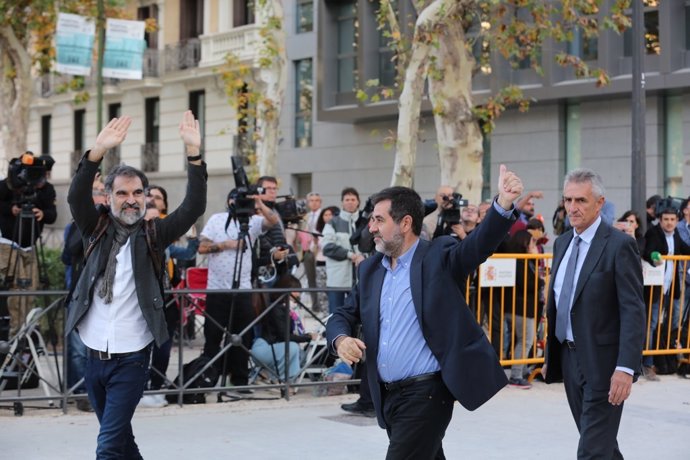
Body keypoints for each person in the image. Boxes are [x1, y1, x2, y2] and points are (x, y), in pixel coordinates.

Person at [327, 165, 523, 459]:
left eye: (379, 220)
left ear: (405, 223)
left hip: (427, 394)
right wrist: (341, 339)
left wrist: (503, 204)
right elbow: (344, 313)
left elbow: (478, 246)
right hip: (388, 395)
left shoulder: (439, 257)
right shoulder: (370, 270)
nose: (371, 227)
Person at [65, 111, 207, 459]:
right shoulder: (94, 229)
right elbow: (74, 197)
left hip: (132, 358)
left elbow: (193, 208)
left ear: (145, 196)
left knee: (108, 447)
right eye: (123, 192)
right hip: (93, 355)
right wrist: (96, 152)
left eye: (138, 192)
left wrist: (194, 155)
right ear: (109, 197)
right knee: (122, 441)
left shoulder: (154, 235)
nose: (131, 199)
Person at [543, 168, 645, 460]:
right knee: (600, 443)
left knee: (591, 451)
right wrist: (552, 355)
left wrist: (626, 367)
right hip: (570, 358)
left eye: (581, 201)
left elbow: (632, 310)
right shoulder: (562, 243)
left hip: (604, 364)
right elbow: (560, 302)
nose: (572, 208)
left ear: (599, 203)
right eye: (568, 200)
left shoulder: (619, 245)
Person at [198, 188, 279, 390]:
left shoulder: (252, 221)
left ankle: (239, 381)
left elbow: (273, 221)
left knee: (242, 337)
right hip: (217, 290)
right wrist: (226, 245)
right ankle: (208, 379)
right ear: (229, 201)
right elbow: (201, 248)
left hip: (243, 290)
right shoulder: (217, 219)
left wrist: (259, 203)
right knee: (213, 337)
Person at [61, 177, 107, 413]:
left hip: (104, 295)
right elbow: (68, 254)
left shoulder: (113, 222)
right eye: (96, 191)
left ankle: (96, 388)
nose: (101, 196)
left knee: (97, 347)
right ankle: (80, 392)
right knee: (78, 348)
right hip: (81, 293)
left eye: (103, 191)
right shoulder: (76, 224)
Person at [641, 205, 690, 380]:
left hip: (671, 287)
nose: (669, 223)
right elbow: (648, 250)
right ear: (660, 220)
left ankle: (670, 358)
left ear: (677, 221)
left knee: (673, 321)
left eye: (672, 220)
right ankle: (647, 363)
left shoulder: (675, 234)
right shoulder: (654, 233)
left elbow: (685, 249)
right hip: (655, 287)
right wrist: (655, 256)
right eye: (666, 220)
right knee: (652, 323)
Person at [251, 275, 315, 382]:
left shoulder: (284, 308)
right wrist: (308, 337)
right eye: (295, 291)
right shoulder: (277, 309)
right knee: (293, 348)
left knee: (300, 354)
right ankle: (283, 381)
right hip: (264, 348)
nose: (298, 294)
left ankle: (283, 380)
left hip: (272, 347)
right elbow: (285, 336)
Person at [504, 230, 544, 389]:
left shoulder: (526, 262)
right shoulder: (520, 262)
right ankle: (516, 375)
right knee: (525, 340)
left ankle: (520, 370)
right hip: (520, 308)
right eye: (532, 243)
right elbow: (530, 284)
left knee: (525, 340)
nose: (535, 246)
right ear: (524, 244)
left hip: (523, 307)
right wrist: (540, 282)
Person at [322, 187, 366, 314]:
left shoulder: (366, 221)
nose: (350, 202)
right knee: (335, 313)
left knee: (360, 314)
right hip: (337, 279)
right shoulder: (332, 223)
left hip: (361, 278)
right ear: (342, 202)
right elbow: (327, 247)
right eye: (347, 199)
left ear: (358, 201)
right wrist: (351, 255)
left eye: (353, 199)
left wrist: (362, 256)